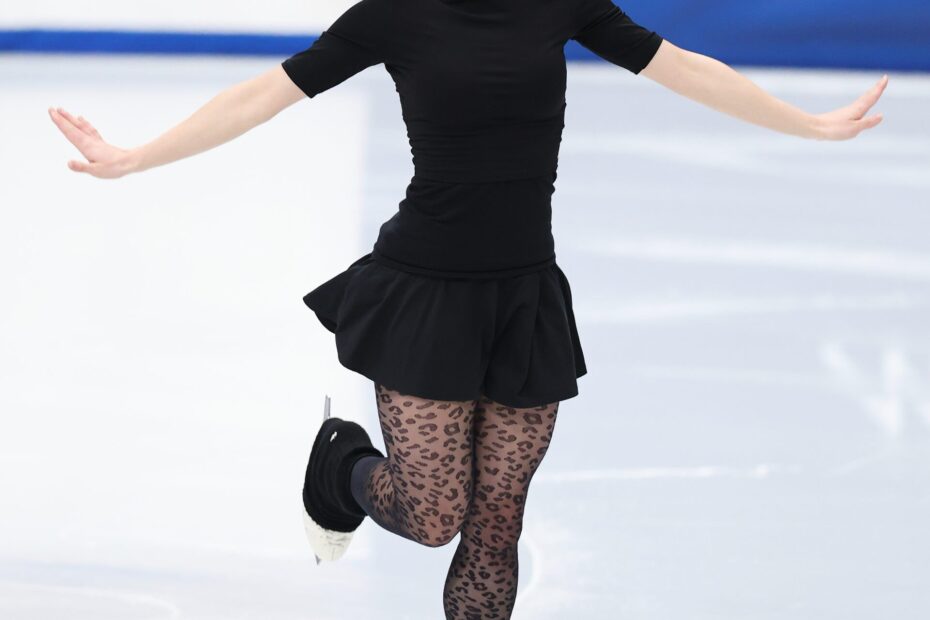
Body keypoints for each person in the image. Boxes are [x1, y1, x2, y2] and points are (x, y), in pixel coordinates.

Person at [49, 0, 888, 617]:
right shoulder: (393, 15)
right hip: (425, 291)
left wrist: (808, 125)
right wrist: (134, 158)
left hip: (525, 295)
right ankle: (341, 466)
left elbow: (684, 67)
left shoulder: (562, 3)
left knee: (496, 524)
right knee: (434, 517)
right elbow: (261, 96)